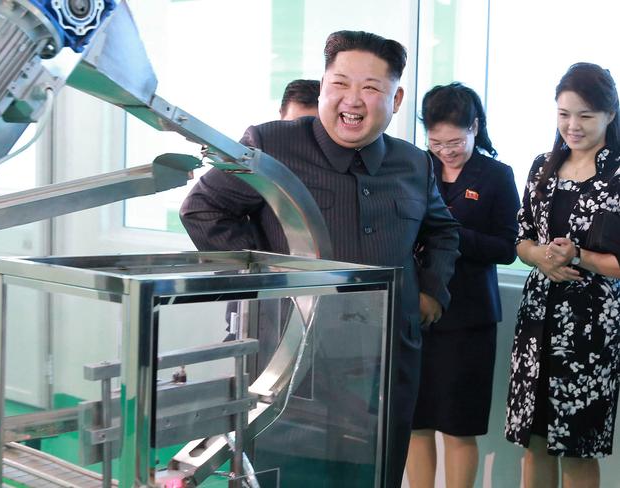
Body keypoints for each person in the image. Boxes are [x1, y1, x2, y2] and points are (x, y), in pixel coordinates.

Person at [181, 30, 460, 488]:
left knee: (377, 475)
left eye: (371, 88)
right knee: (288, 475)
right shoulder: (270, 145)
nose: (353, 100)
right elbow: (203, 208)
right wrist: (265, 277)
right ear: (324, 83)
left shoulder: (414, 163)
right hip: (294, 361)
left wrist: (432, 290)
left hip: (385, 365)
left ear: (396, 97)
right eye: (340, 83)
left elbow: (442, 230)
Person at [504, 63, 620, 488]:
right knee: (533, 442)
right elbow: (520, 239)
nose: (573, 126)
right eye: (564, 114)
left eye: (585, 116)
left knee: (576, 446)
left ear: (609, 114)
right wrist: (541, 257)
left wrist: (579, 256)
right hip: (537, 318)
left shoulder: (617, 174)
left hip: (591, 328)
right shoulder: (541, 167)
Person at [406, 83, 520, 488]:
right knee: (415, 424)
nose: (446, 150)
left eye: (455, 141)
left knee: (458, 427)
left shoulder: (496, 175)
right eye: (436, 142)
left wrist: (452, 234)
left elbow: (508, 248)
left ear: (475, 127)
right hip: (417, 309)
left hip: (469, 317)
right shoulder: (417, 166)